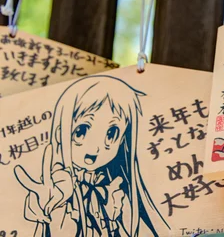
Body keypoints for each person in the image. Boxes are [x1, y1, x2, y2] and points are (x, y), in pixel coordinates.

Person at [14, 75, 169, 236]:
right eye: (81, 131)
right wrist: (52, 204)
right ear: (61, 133)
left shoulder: (117, 191)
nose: (94, 149)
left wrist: (115, 216)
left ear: (123, 139)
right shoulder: (60, 185)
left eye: (111, 134)